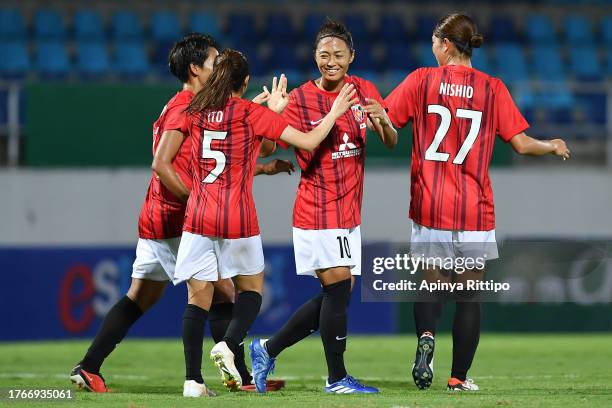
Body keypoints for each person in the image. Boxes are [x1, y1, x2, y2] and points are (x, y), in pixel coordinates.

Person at [69, 33, 292, 396]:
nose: (219, 67)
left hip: (156, 214)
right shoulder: (185, 106)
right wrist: (197, 201)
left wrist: (260, 157)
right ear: (195, 68)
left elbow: (217, 165)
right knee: (220, 293)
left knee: (140, 296)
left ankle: (89, 367)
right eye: (214, 61)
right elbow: (163, 165)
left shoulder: (194, 105)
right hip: (176, 216)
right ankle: (241, 378)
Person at [384, 13, 570, 391]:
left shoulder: (421, 80)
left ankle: (426, 340)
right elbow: (520, 143)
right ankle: (458, 378)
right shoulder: (492, 88)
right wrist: (551, 145)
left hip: (429, 204)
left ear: (447, 45)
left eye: (436, 42)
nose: (432, 49)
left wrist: (368, 114)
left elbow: (387, 121)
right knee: (469, 294)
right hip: (473, 208)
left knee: (430, 285)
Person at [173, 49, 358, 394]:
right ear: (245, 82)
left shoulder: (193, 111)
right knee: (252, 291)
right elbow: (308, 140)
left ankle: (192, 381)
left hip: (197, 215)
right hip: (236, 217)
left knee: (197, 297)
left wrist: (264, 116)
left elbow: (237, 148)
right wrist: (334, 112)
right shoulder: (249, 114)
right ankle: (228, 345)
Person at [249, 19, 398, 394]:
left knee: (340, 293)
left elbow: (392, 140)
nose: (330, 61)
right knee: (337, 293)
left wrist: (383, 120)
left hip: (349, 211)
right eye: (323, 55)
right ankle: (336, 378)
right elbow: (269, 147)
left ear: (352, 57)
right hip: (317, 208)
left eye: (338, 55)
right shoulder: (299, 99)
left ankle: (266, 349)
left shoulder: (363, 89)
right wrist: (277, 113)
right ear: (315, 56)